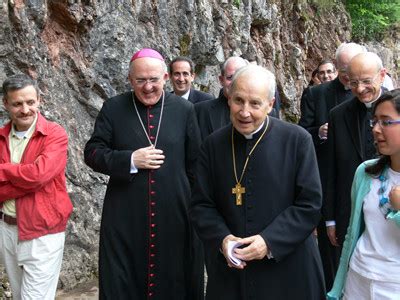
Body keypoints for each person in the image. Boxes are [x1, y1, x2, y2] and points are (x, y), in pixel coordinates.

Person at [190, 65, 325, 299]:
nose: (244, 112)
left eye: (255, 103)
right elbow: (202, 205)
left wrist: (269, 241)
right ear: (228, 98)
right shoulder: (212, 145)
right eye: (238, 101)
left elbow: (309, 205)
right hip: (233, 273)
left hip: (288, 270)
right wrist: (223, 239)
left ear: (270, 104)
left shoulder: (297, 140)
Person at [84, 48, 203, 299]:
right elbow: (92, 153)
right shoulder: (113, 107)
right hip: (124, 217)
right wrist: (129, 159)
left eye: (154, 80)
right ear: (130, 80)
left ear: (165, 78)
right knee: (123, 280)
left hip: (175, 215)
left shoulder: (184, 110)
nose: (148, 87)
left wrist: (199, 208)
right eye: (140, 80)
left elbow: (196, 165)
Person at [298, 42, 366, 290]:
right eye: (344, 68)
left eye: (353, 67)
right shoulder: (318, 94)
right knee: (332, 261)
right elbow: (303, 132)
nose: (350, 75)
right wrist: (320, 132)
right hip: (332, 185)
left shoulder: (377, 101)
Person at [0, 74, 73, 299]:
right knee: (20, 295)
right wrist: (26, 177)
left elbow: (39, 176)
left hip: (43, 231)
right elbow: (31, 179)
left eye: (30, 102)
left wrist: (4, 171)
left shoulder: (54, 134)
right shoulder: (1, 137)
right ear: (6, 104)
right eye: (17, 103)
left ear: (39, 100)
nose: (25, 109)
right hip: (7, 229)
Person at [328, 89, 400, 299]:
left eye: (386, 122)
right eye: (374, 121)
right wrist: (338, 286)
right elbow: (352, 233)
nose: (376, 129)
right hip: (358, 277)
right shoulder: (366, 172)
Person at [325, 52, 387, 261]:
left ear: (382, 75)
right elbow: (331, 168)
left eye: (367, 81)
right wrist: (330, 219)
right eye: (354, 83)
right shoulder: (338, 115)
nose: (360, 89)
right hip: (350, 212)